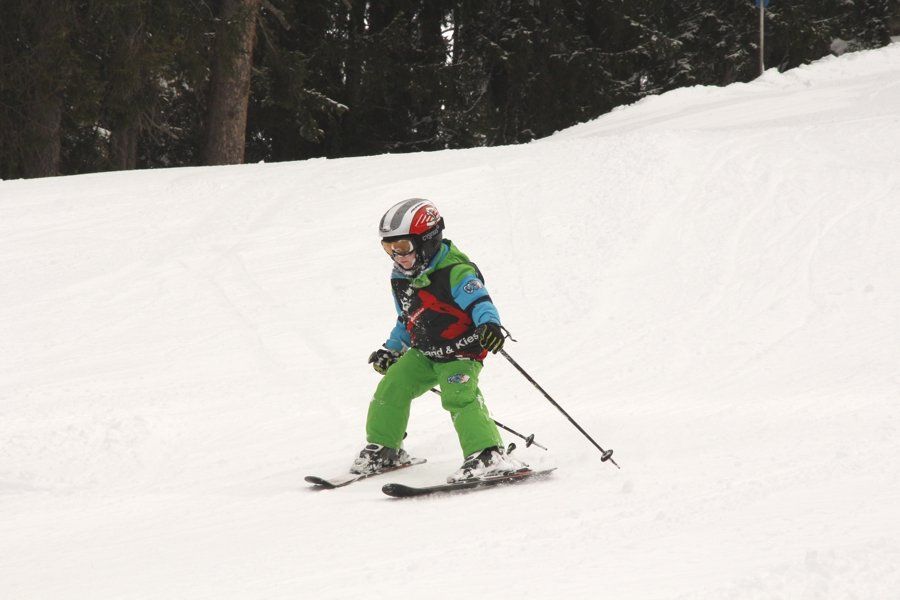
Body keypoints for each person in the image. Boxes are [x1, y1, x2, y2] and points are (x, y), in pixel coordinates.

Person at [350, 198, 526, 483]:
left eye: (403, 246)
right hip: (425, 353)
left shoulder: (455, 271)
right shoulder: (401, 277)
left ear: (427, 240)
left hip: (461, 352)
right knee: (393, 385)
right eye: (388, 248)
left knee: (459, 396)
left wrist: (489, 326)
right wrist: (392, 349)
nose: (397, 256)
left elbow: (480, 302)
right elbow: (408, 319)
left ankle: (488, 454)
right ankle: (385, 448)